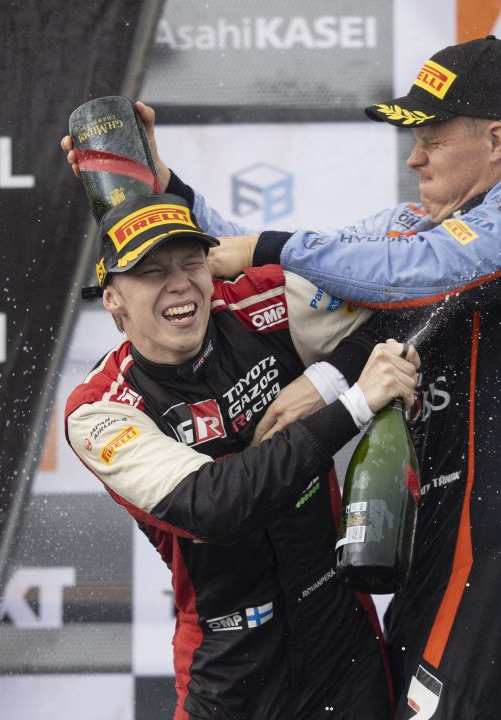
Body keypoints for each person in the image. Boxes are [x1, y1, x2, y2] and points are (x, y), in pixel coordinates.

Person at [89, 34, 501, 720]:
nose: (414, 157)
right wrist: (167, 189)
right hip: (429, 548)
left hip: (498, 544)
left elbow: (428, 268)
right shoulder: (410, 229)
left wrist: (329, 374)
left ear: (497, 140)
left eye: (431, 139)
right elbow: (282, 271)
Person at [63, 190, 421, 719]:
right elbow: (214, 505)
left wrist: (325, 380)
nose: (179, 283)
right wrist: (352, 405)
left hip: (340, 642)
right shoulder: (100, 409)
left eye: (191, 262)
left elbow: (413, 288)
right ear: (112, 298)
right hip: (230, 665)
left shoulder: (259, 303)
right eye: (152, 272)